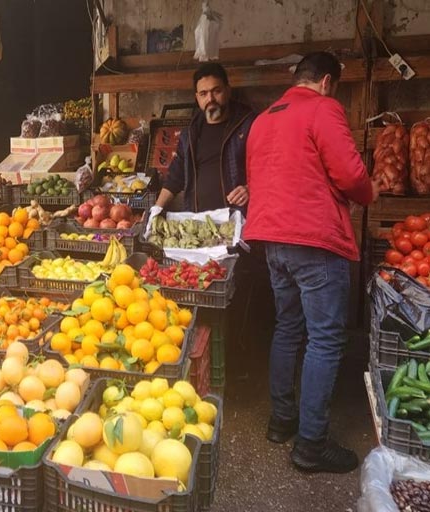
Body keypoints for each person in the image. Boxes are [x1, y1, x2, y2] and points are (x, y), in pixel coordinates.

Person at [244, 52, 380, 473]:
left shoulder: (264, 119)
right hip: (314, 239)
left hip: (272, 239)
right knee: (325, 339)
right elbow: (351, 174)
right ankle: (311, 444)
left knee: (288, 326)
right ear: (326, 81)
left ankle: (281, 421)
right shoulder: (324, 108)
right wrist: (369, 193)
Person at [151, 62, 254, 216]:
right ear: (197, 98)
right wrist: (156, 209)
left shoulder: (249, 125)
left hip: (238, 220)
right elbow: (176, 175)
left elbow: (271, 168)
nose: (210, 99)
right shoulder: (190, 133)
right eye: (203, 94)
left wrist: (250, 188)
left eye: (216, 91)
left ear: (228, 90)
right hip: (200, 224)